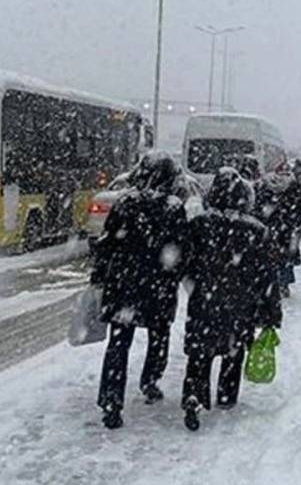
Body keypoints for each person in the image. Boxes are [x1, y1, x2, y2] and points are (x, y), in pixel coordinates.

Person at [91, 152, 189, 430]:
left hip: (124, 284)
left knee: (119, 342)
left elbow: (107, 243)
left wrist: (100, 275)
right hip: (158, 285)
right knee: (159, 335)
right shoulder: (173, 208)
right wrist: (174, 273)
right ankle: (150, 380)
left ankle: (111, 399)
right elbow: (181, 249)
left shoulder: (125, 203)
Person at [181, 168, 282, 431]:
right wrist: (272, 312)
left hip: (204, 300)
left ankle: (194, 395)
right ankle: (226, 396)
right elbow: (268, 276)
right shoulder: (256, 231)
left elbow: (185, 262)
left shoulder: (200, 225)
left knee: (199, 353)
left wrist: (194, 282)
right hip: (240, 303)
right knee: (232, 351)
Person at [254, 163, 301, 298]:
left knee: (270, 255)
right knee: (286, 257)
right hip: (288, 228)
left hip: (271, 226)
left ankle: (272, 283)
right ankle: (283, 284)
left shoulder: (267, 185)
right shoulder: (295, 186)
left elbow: (259, 206)